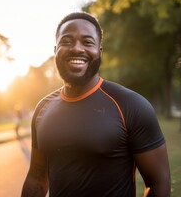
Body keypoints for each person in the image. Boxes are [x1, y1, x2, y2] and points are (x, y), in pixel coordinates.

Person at [21, 12, 170, 197]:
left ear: (99, 51)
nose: (77, 48)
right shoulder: (43, 108)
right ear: (55, 50)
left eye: (87, 42)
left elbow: (158, 184)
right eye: (66, 41)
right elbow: (37, 178)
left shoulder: (131, 105)